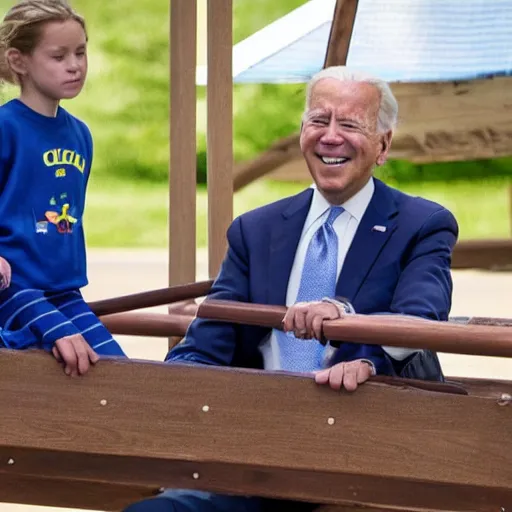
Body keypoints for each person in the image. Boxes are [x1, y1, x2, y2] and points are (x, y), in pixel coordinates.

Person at [124, 66, 459, 512]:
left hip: (370, 453)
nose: (331, 137)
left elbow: (422, 314)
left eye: (350, 125)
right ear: (302, 131)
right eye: (319, 121)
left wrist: (354, 335)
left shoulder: (422, 224)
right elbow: (207, 344)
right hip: (259, 448)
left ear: (384, 145)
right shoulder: (255, 229)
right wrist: (159, 395)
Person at [0, 0, 126, 377]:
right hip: (13, 287)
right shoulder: (6, 127)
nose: (75, 65)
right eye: (59, 56)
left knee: (120, 372)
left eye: (81, 52)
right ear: (19, 61)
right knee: (72, 360)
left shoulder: (80, 135)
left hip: (64, 290)